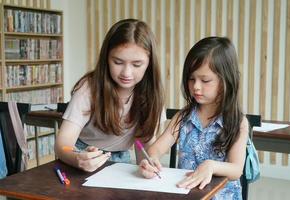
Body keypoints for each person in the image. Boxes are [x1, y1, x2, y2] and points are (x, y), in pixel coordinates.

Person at [139, 37, 249, 199]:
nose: (196, 86)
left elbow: (236, 169)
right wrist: (151, 159)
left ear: (226, 81)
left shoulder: (237, 122)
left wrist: (211, 166)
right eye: (191, 79)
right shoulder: (182, 117)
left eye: (205, 80)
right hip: (186, 194)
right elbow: (155, 149)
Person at [55, 19, 165, 172]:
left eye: (136, 64)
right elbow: (63, 143)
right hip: (81, 155)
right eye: (118, 62)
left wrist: (147, 166)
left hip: (121, 158)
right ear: (106, 58)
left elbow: (144, 146)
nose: (126, 73)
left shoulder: (151, 95)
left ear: (149, 64)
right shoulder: (89, 88)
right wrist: (77, 158)